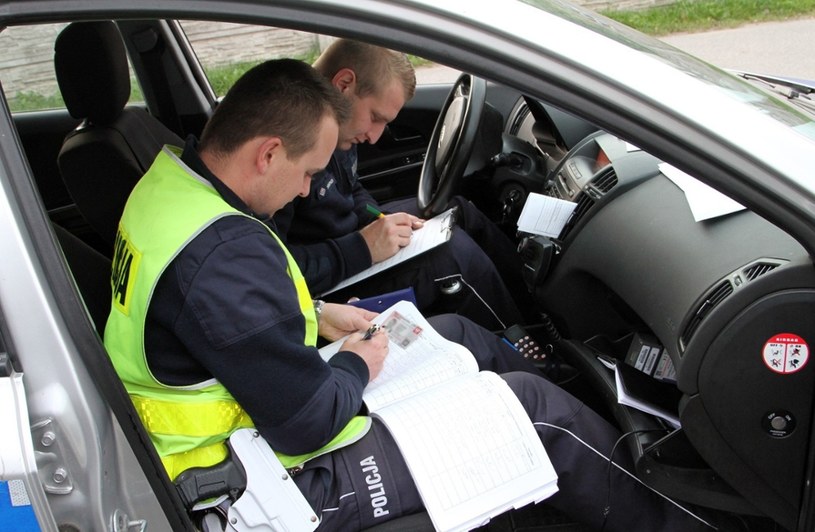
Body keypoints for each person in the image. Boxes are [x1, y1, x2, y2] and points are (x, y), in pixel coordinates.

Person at [103, 58, 717, 532]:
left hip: (247, 418)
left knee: (448, 332)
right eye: (310, 172)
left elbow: (206, 318)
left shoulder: (171, 189)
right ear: (267, 153)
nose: (306, 190)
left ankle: (610, 418)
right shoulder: (225, 253)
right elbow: (306, 424)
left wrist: (312, 313)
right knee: (534, 410)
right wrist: (355, 361)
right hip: (249, 481)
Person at [272, 39, 537, 330]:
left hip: (349, 244)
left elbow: (351, 188)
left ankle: (533, 307)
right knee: (455, 256)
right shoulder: (290, 149)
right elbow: (275, 271)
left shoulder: (339, 126)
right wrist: (364, 247)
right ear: (344, 84)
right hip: (324, 290)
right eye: (375, 118)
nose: (374, 137)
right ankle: (525, 343)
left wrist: (378, 218)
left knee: (458, 211)